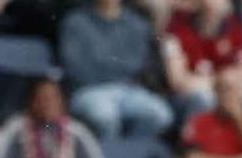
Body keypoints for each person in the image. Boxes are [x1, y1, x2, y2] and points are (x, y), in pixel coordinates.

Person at [57, 0, 174, 141]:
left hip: (127, 89)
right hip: (88, 89)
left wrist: (102, 63)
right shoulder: (75, 22)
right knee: (105, 116)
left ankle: (132, 156)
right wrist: (114, 67)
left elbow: (137, 65)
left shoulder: (136, 24)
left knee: (160, 115)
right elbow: (75, 67)